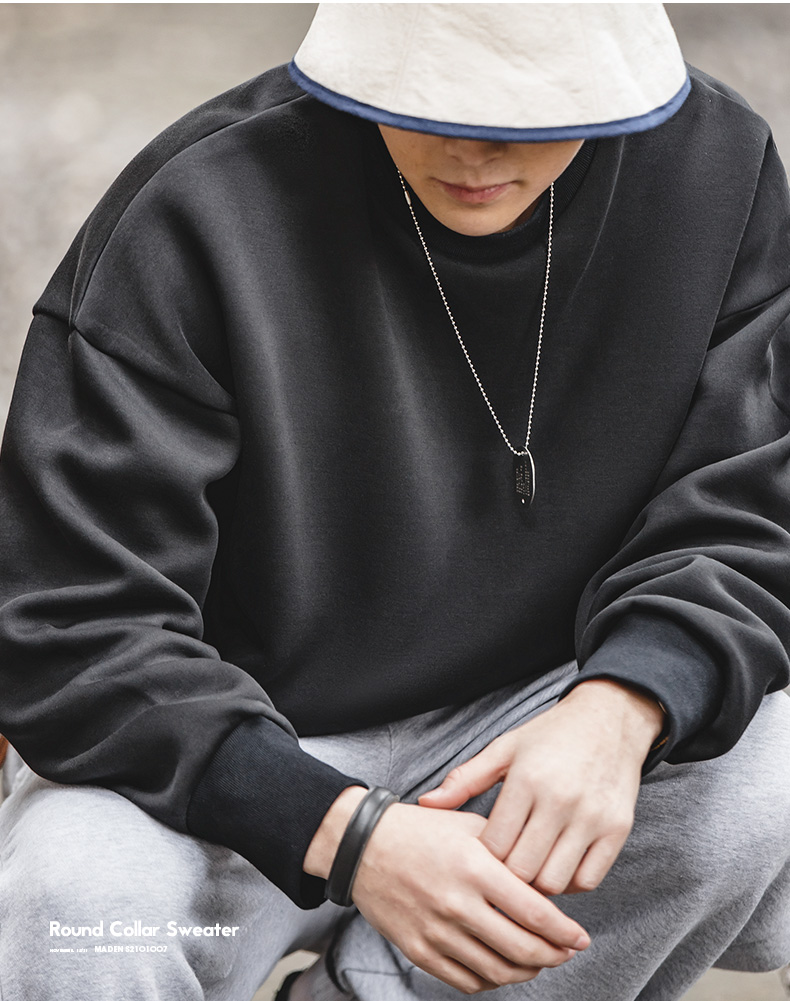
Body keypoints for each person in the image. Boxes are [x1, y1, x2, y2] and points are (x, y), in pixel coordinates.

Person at [0, 4, 788, 1000]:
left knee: (763, 773)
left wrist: (624, 701)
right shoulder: (197, 208)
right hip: (229, 750)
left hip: (530, 719)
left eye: (530, 109)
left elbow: (755, 497)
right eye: (432, 100)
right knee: (78, 902)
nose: (474, 148)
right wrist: (346, 832)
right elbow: (68, 619)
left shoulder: (717, 171)